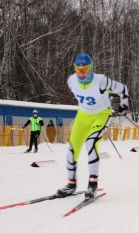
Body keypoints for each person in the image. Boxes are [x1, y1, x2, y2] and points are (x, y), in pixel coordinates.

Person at [57, 53, 129, 200]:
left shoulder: (101, 81)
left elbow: (123, 89)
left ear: (91, 69)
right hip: (83, 116)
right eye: (78, 70)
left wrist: (123, 105)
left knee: (91, 142)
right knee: (72, 148)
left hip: (101, 115)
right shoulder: (71, 81)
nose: (81, 74)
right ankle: (71, 184)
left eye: (85, 70)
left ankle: (92, 184)